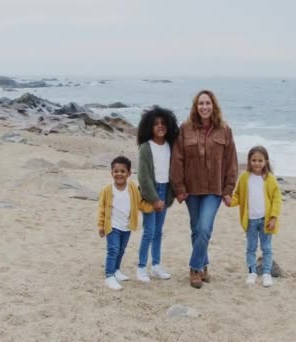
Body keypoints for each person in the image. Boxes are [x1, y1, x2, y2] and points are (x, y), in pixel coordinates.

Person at [170, 89, 238, 289]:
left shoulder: (225, 130)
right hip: (191, 189)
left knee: (204, 228)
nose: (204, 107)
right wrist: (179, 188)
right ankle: (204, 265)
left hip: (214, 190)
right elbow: (177, 159)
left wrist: (228, 189)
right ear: (195, 106)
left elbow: (231, 161)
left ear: (213, 106)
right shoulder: (185, 129)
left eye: (208, 103)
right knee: (195, 229)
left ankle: (194, 267)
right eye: (201, 103)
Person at [136, 106, 179, 282]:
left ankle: (156, 266)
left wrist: (168, 197)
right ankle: (140, 268)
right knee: (148, 232)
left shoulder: (171, 146)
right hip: (150, 193)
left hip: (165, 191)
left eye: (163, 123)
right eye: (155, 124)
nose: (160, 127)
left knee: (159, 232)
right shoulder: (146, 148)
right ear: (149, 127)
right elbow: (143, 176)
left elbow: (174, 171)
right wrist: (154, 199)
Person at [228, 146, 281, 287]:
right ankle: (251, 272)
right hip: (250, 220)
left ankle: (266, 273)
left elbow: (276, 199)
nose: (257, 163)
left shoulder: (270, 179)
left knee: (267, 248)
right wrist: (230, 201)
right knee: (251, 248)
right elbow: (239, 195)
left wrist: (274, 218)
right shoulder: (245, 177)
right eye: (254, 160)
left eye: (260, 160)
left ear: (266, 161)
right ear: (249, 161)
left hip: (266, 220)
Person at [97, 156, 153, 290]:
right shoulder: (107, 190)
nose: (119, 174)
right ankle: (109, 275)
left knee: (121, 250)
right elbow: (102, 209)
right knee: (113, 249)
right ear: (111, 173)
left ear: (129, 173)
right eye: (116, 171)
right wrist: (101, 225)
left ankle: (116, 270)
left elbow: (139, 203)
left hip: (126, 226)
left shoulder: (132, 188)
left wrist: (152, 207)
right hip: (112, 226)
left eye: (122, 171)